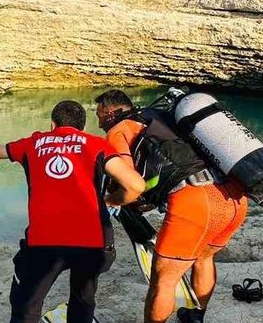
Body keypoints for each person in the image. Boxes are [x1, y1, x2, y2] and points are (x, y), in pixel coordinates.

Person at [0, 100, 145, 323]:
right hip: (92, 242)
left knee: (27, 303)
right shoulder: (96, 144)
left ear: (52, 124)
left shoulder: (34, 143)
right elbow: (136, 186)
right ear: (82, 127)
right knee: (83, 298)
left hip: (44, 242)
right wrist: (111, 200)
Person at [94, 90, 249, 323]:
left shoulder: (118, 130)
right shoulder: (163, 117)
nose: (99, 123)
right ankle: (195, 317)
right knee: (203, 258)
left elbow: (132, 185)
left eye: (99, 116)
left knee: (164, 280)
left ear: (111, 112)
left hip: (195, 203)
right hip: (235, 198)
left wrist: (111, 201)